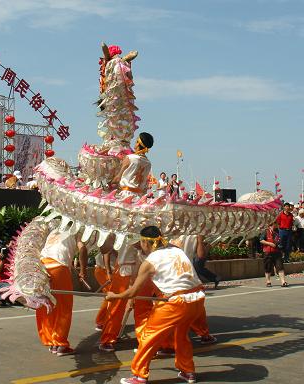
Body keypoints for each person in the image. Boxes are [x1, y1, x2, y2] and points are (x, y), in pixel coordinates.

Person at [107, 226, 205, 384]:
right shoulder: (177, 251)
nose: (140, 246)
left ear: (145, 242)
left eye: (140, 243)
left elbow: (133, 292)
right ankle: (188, 371)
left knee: (148, 336)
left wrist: (115, 296)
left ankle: (139, 376)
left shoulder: (150, 262)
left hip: (176, 302)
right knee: (181, 335)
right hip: (197, 300)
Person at [36, 229, 87, 356]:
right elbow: (83, 249)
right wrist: (83, 270)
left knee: (46, 304)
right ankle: (60, 343)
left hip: (42, 266)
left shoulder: (54, 231)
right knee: (64, 306)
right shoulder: (76, 230)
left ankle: (51, 341)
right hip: (59, 268)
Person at [111, 132, 153, 199]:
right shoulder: (148, 163)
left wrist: (110, 183)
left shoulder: (130, 158)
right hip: (139, 197)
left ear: (138, 143)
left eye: (136, 141)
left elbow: (118, 178)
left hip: (126, 195)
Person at [260, 221, 288, 287]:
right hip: (267, 252)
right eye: (276, 224)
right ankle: (268, 281)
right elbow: (261, 240)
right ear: (272, 224)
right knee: (268, 267)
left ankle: (283, 282)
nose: (277, 225)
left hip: (277, 252)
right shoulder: (265, 231)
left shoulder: (277, 232)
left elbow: (279, 241)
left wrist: (281, 249)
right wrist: (269, 243)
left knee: (280, 267)